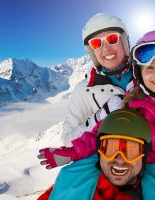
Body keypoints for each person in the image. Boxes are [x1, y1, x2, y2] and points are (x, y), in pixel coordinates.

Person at [39, 30, 155, 199]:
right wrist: (72, 153)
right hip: (119, 154)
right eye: (149, 68)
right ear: (138, 72)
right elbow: (100, 132)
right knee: (73, 174)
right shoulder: (132, 100)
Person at [38, 108, 152, 200]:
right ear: (99, 152)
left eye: (131, 151)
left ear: (144, 155)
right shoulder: (68, 185)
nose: (120, 160)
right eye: (110, 148)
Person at [61, 12, 133, 147]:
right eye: (96, 43)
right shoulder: (84, 90)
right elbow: (68, 140)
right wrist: (100, 117)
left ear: (124, 42)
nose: (106, 48)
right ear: (92, 52)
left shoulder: (147, 76)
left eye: (112, 39)